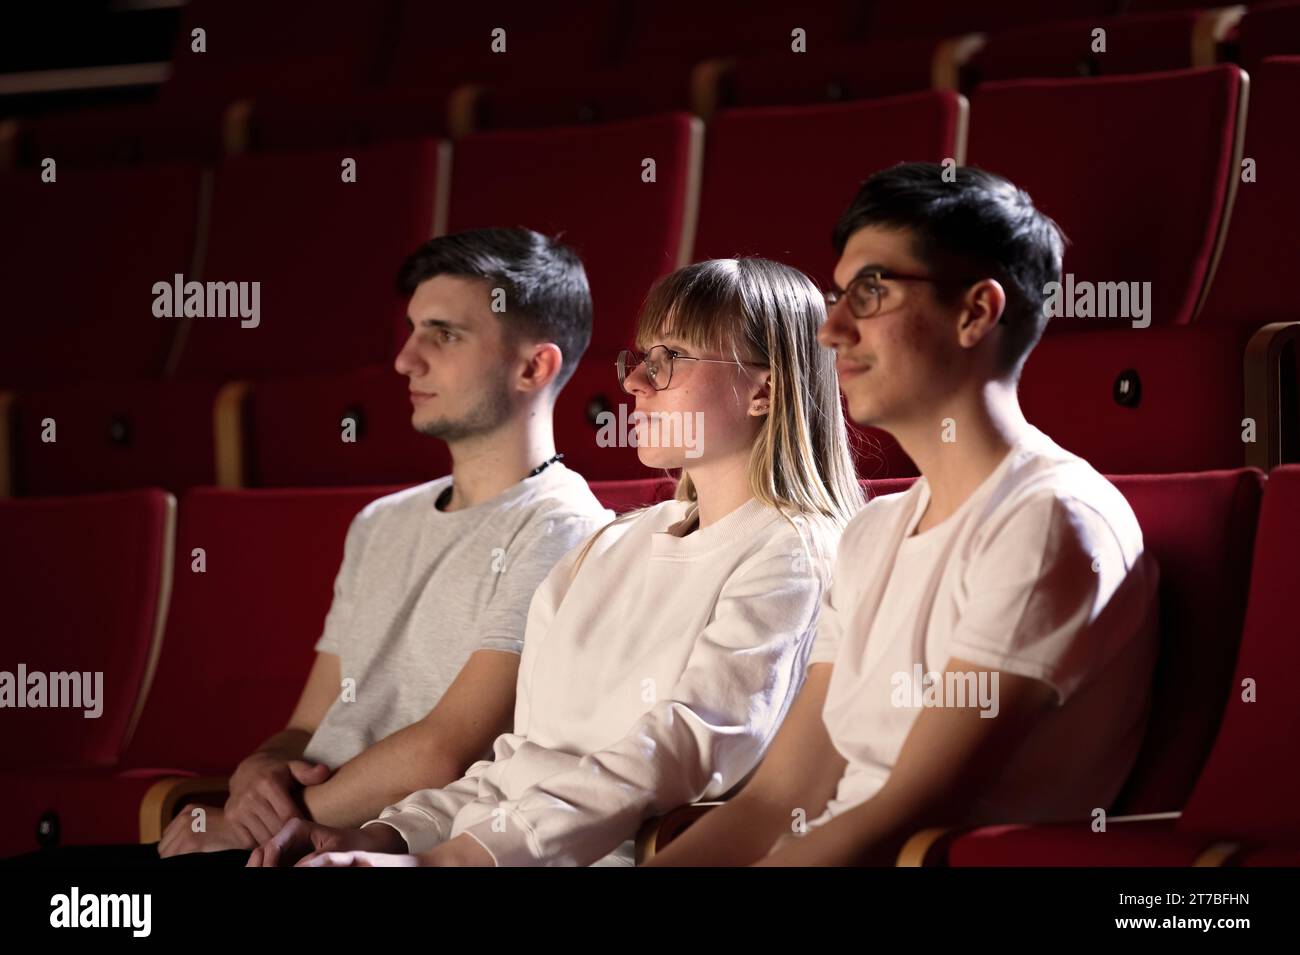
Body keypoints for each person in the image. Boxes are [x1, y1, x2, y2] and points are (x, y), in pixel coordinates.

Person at [10, 228, 612, 866]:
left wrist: (253, 829)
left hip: (384, 848)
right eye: (410, 330)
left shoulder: (562, 527)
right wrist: (259, 770)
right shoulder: (380, 521)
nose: (406, 360)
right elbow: (308, 726)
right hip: (288, 838)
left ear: (533, 366)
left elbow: (449, 747)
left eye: (444, 333)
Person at [249, 257, 864, 867]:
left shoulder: (795, 553)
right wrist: (389, 837)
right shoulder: (607, 546)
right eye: (639, 358)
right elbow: (520, 759)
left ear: (764, 389)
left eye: (668, 359)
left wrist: (446, 862)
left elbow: (679, 751)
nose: (634, 384)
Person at [645, 163, 1159, 867]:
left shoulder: (1049, 521)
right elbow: (777, 799)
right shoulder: (872, 531)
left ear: (976, 311)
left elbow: (901, 814)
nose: (831, 331)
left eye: (871, 292)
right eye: (837, 295)